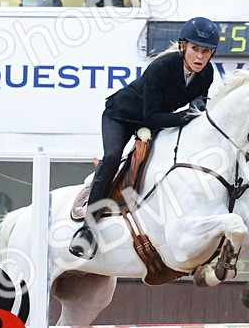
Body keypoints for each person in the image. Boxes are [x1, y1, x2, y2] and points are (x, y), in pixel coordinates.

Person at [68, 16, 220, 259]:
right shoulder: (161, 68)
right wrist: (184, 118)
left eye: (206, 51)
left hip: (157, 121)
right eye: (195, 49)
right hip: (122, 116)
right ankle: (87, 229)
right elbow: (151, 116)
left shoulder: (207, 74)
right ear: (183, 47)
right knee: (112, 157)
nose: (200, 57)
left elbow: (197, 105)